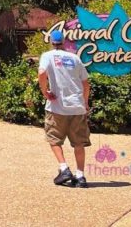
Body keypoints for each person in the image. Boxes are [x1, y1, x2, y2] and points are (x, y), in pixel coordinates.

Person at [38, 30, 91, 188]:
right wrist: (85, 102)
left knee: (54, 139)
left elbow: (41, 73)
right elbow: (86, 83)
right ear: (64, 42)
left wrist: (45, 92)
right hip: (77, 107)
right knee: (79, 143)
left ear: (51, 42)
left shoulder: (47, 56)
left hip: (57, 107)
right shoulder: (75, 58)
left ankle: (64, 168)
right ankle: (80, 177)